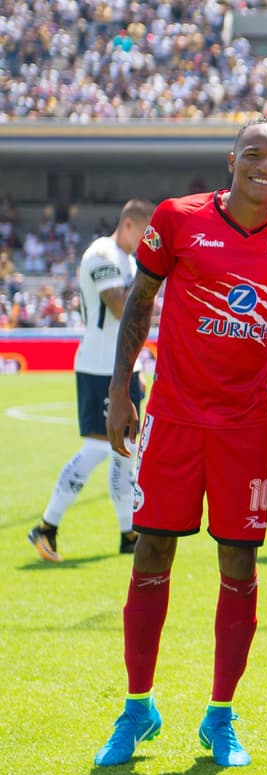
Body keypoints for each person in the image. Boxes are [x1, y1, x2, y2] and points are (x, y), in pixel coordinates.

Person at [93, 118, 267, 767]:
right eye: (254, 154)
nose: (264, 166)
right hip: (175, 415)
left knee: (239, 563)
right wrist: (118, 389)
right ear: (232, 158)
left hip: (246, 425)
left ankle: (220, 716)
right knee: (152, 548)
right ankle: (138, 707)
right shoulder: (179, 218)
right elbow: (140, 298)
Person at [28, 199, 153, 562]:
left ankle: (128, 533)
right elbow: (119, 306)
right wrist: (152, 283)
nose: (146, 243)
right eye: (144, 234)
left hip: (121, 368)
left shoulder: (128, 260)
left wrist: (138, 370)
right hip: (99, 367)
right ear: (128, 224)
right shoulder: (102, 253)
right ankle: (46, 527)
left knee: (125, 453)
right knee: (99, 448)